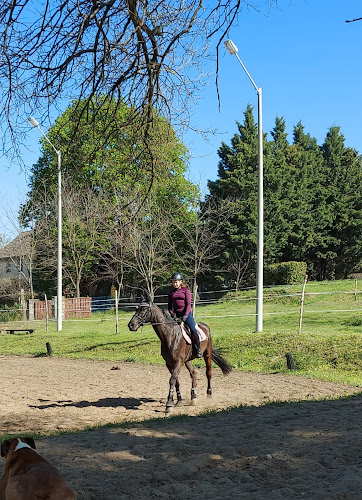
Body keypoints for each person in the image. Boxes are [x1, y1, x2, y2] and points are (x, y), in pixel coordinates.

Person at [168, 272, 203, 358]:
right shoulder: (171, 293)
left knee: (193, 329)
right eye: (173, 282)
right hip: (176, 315)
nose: (174, 284)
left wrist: (185, 316)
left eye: (176, 282)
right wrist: (173, 315)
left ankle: (198, 350)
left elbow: (188, 305)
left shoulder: (186, 291)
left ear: (181, 281)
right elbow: (169, 307)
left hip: (186, 315)